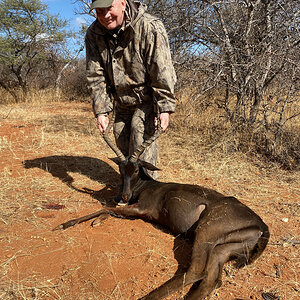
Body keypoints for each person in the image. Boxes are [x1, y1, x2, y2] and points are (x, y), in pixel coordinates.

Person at [85, 0, 176, 195]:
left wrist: (164, 107)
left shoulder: (149, 27)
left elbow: (162, 70)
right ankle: (129, 188)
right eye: (99, 11)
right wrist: (101, 110)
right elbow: (96, 76)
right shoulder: (94, 33)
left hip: (147, 100)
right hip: (121, 102)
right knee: (122, 142)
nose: (104, 15)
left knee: (140, 140)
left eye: (109, 8)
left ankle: (147, 195)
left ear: (123, 4)